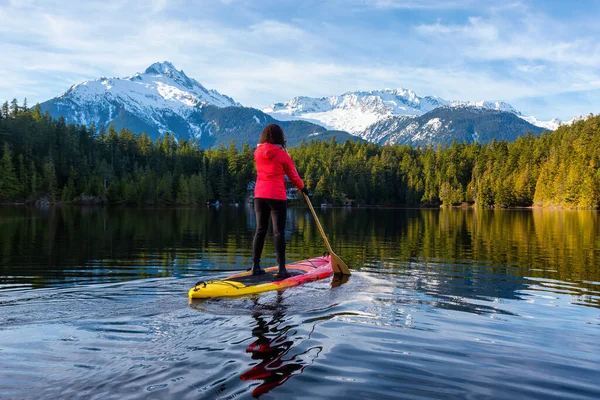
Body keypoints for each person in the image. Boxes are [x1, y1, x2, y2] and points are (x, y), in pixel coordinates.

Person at [252, 124, 309, 277]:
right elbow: (293, 175)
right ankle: (282, 269)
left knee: (260, 230)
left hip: (259, 195)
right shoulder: (283, 155)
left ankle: (255, 266)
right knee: (279, 232)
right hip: (276, 195)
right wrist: (303, 188)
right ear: (280, 138)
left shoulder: (257, 152)